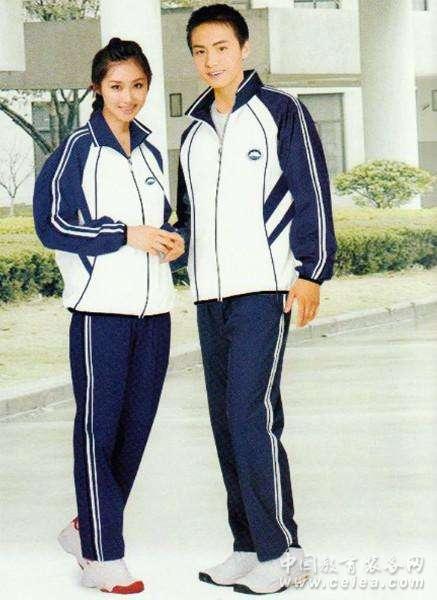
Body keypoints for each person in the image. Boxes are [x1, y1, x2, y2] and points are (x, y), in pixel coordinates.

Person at [173, 4, 337, 595]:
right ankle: (247, 545)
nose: (210, 60)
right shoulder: (193, 131)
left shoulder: (280, 111)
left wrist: (313, 271)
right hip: (209, 295)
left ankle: (283, 551)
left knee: (251, 414)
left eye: (221, 47)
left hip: (264, 290)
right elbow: (189, 215)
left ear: (243, 49)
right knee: (225, 421)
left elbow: (311, 188)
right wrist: (173, 242)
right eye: (200, 50)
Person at [33, 37, 184, 594]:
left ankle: (86, 528)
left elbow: (162, 220)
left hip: (155, 312)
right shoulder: (76, 150)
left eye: (138, 86)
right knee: (98, 432)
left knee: (134, 431)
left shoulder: (149, 152)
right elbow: (52, 225)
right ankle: (102, 554)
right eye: (117, 86)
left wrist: (173, 241)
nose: (128, 97)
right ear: (97, 88)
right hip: (100, 313)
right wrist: (122, 234)